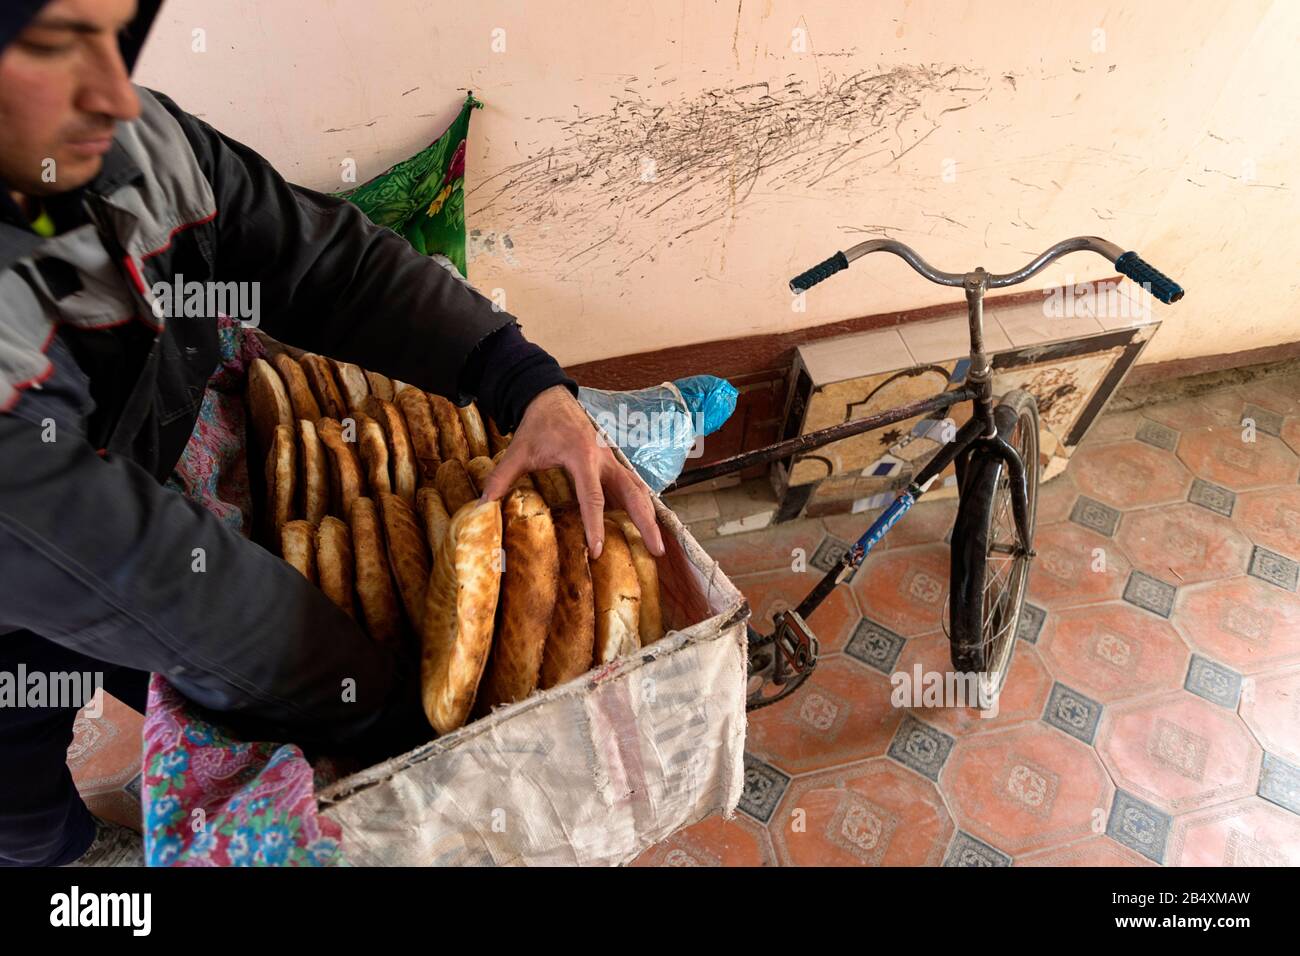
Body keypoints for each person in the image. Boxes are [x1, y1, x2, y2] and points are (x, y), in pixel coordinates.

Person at [0, 0, 665, 867]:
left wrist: (522, 379)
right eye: (55, 48)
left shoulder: (136, 148)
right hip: (33, 589)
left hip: (123, 498)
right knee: (20, 778)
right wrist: (390, 713)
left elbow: (320, 261)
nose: (118, 96)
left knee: (171, 671)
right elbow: (154, 585)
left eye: (115, 38)